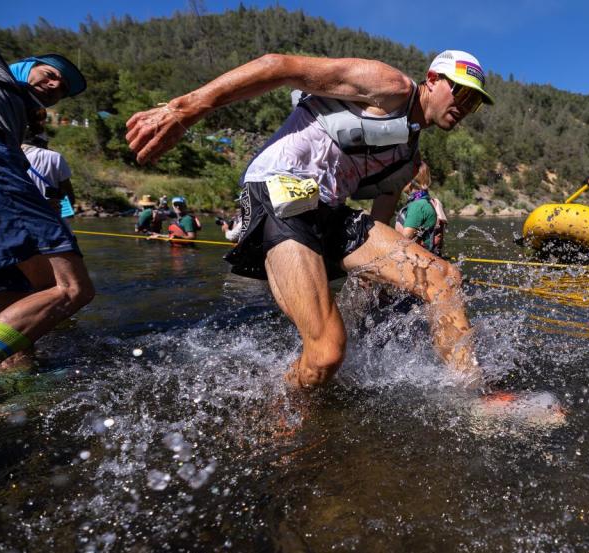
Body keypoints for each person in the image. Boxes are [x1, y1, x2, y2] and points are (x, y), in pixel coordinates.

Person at [126, 50, 493, 389]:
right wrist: (185, 109)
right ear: (432, 79)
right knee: (328, 353)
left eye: (474, 102)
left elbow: (381, 222)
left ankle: (473, 395)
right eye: (460, 92)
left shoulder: (409, 158)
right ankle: (280, 404)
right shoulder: (390, 86)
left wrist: (370, 284)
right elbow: (279, 67)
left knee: (442, 278)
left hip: (328, 209)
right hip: (278, 190)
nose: (464, 105)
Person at [0, 44, 94, 370]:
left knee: (10, 299)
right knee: (71, 288)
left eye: (62, 89)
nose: (55, 87)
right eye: (50, 75)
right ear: (23, 66)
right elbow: (66, 194)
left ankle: (9, 400)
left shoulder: (14, 110)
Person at [394, 161, 448, 256]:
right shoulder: (428, 201)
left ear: (411, 181)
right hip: (430, 258)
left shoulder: (417, 206)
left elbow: (403, 242)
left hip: (417, 262)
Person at [21, 131, 76, 219]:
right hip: (51, 213)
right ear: (42, 142)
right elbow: (67, 189)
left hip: (27, 213)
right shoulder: (55, 156)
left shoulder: (15, 157)